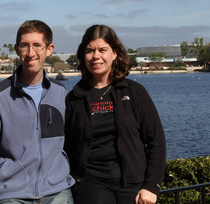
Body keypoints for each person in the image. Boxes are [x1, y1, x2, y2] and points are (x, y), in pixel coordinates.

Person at [0, 20, 74, 204]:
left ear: (49, 49)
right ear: (16, 49)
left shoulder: (61, 93)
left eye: (37, 45)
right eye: (24, 46)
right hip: (12, 195)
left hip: (57, 192)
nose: (30, 53)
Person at [64, 24, 166, 204]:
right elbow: (66, 146)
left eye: (102, 50)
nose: (96, 56)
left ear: (115, 53)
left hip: (133, 182)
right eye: (90, 51)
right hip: (91, 184)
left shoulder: (134, 92)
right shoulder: (74, 98)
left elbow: (156, 140)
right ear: (83, 55)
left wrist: (151, 186)